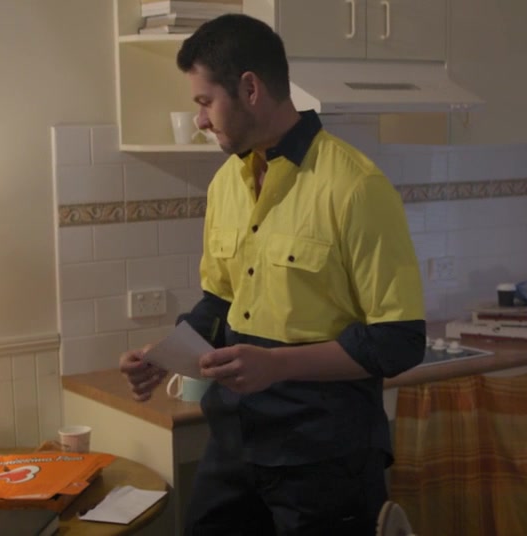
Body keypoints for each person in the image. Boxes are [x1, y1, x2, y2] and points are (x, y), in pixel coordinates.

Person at [117, 13, 427, 536]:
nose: (200, 120)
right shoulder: (225, 185)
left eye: (205, 101)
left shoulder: (355, 187)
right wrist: (165, 353)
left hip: (326, 456)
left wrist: (277, 365)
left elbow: (399, 341)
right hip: (235, 441)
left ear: (250, 89)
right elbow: (220, 304)